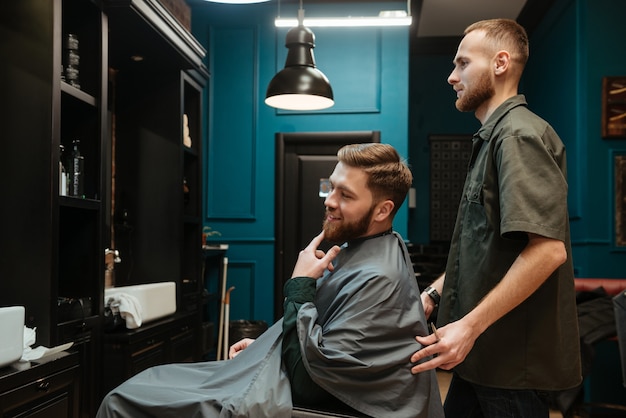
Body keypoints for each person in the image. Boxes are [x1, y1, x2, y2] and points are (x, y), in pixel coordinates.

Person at [97, 143, 443, 418]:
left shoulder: (377, 278)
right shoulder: (369, 249)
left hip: (308, 400)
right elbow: (326, 343)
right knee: (151, 382)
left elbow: (314, 384)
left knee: (126, 400)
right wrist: (268, 347)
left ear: (383, 210)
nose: (330, 201)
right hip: (291, 377)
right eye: (331, 187)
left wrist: (299, 283)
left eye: (346, 195)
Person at [410, 18, 582, 418]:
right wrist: (434, 295)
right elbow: (482, 251)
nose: (452, 77)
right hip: (481, 358)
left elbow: (547, 252)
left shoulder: (517, 136)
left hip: (509, 364)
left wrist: (467, 327)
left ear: (500, 63)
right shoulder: (494, 137)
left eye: (462, 64)